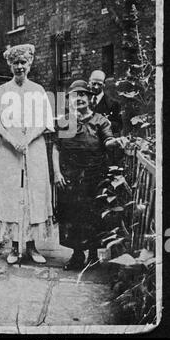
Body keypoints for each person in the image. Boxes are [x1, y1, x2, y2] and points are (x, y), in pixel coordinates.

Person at [0, 44, 54, 265]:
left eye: (23, 62)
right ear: (10, 65)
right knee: (12, 192)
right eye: (15, 63)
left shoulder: (38, 90)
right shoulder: (3, 91)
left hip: (34, 148)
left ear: (30, 64)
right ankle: (15, 247)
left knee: (34, 192)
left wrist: (27, 139)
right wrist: (14, 141)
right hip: (9, 149)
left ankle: (32, 246)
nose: (19, 67)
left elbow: (45, 123)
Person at [52, 80, 126, 270]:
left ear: (90, 98)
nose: (79, 99)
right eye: (75, 96)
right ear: (70, 100)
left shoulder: (100, 120)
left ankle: (93, 256)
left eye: (83, 95)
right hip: (70, 177)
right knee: (72, 216)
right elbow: (56, 148)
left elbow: (108, 140)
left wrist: (115, 142)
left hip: (95, 176)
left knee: (94, 216)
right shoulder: (64, 121)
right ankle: (77, 256)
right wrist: (57, 172)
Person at [88, 70, 123, 136]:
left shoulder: (113, 104)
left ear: (104, 84)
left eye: (99, 84)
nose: (96, 87)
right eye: (94, 83)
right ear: (89, 83)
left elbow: (119, 126)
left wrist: (108, 122)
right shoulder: (84, 101)